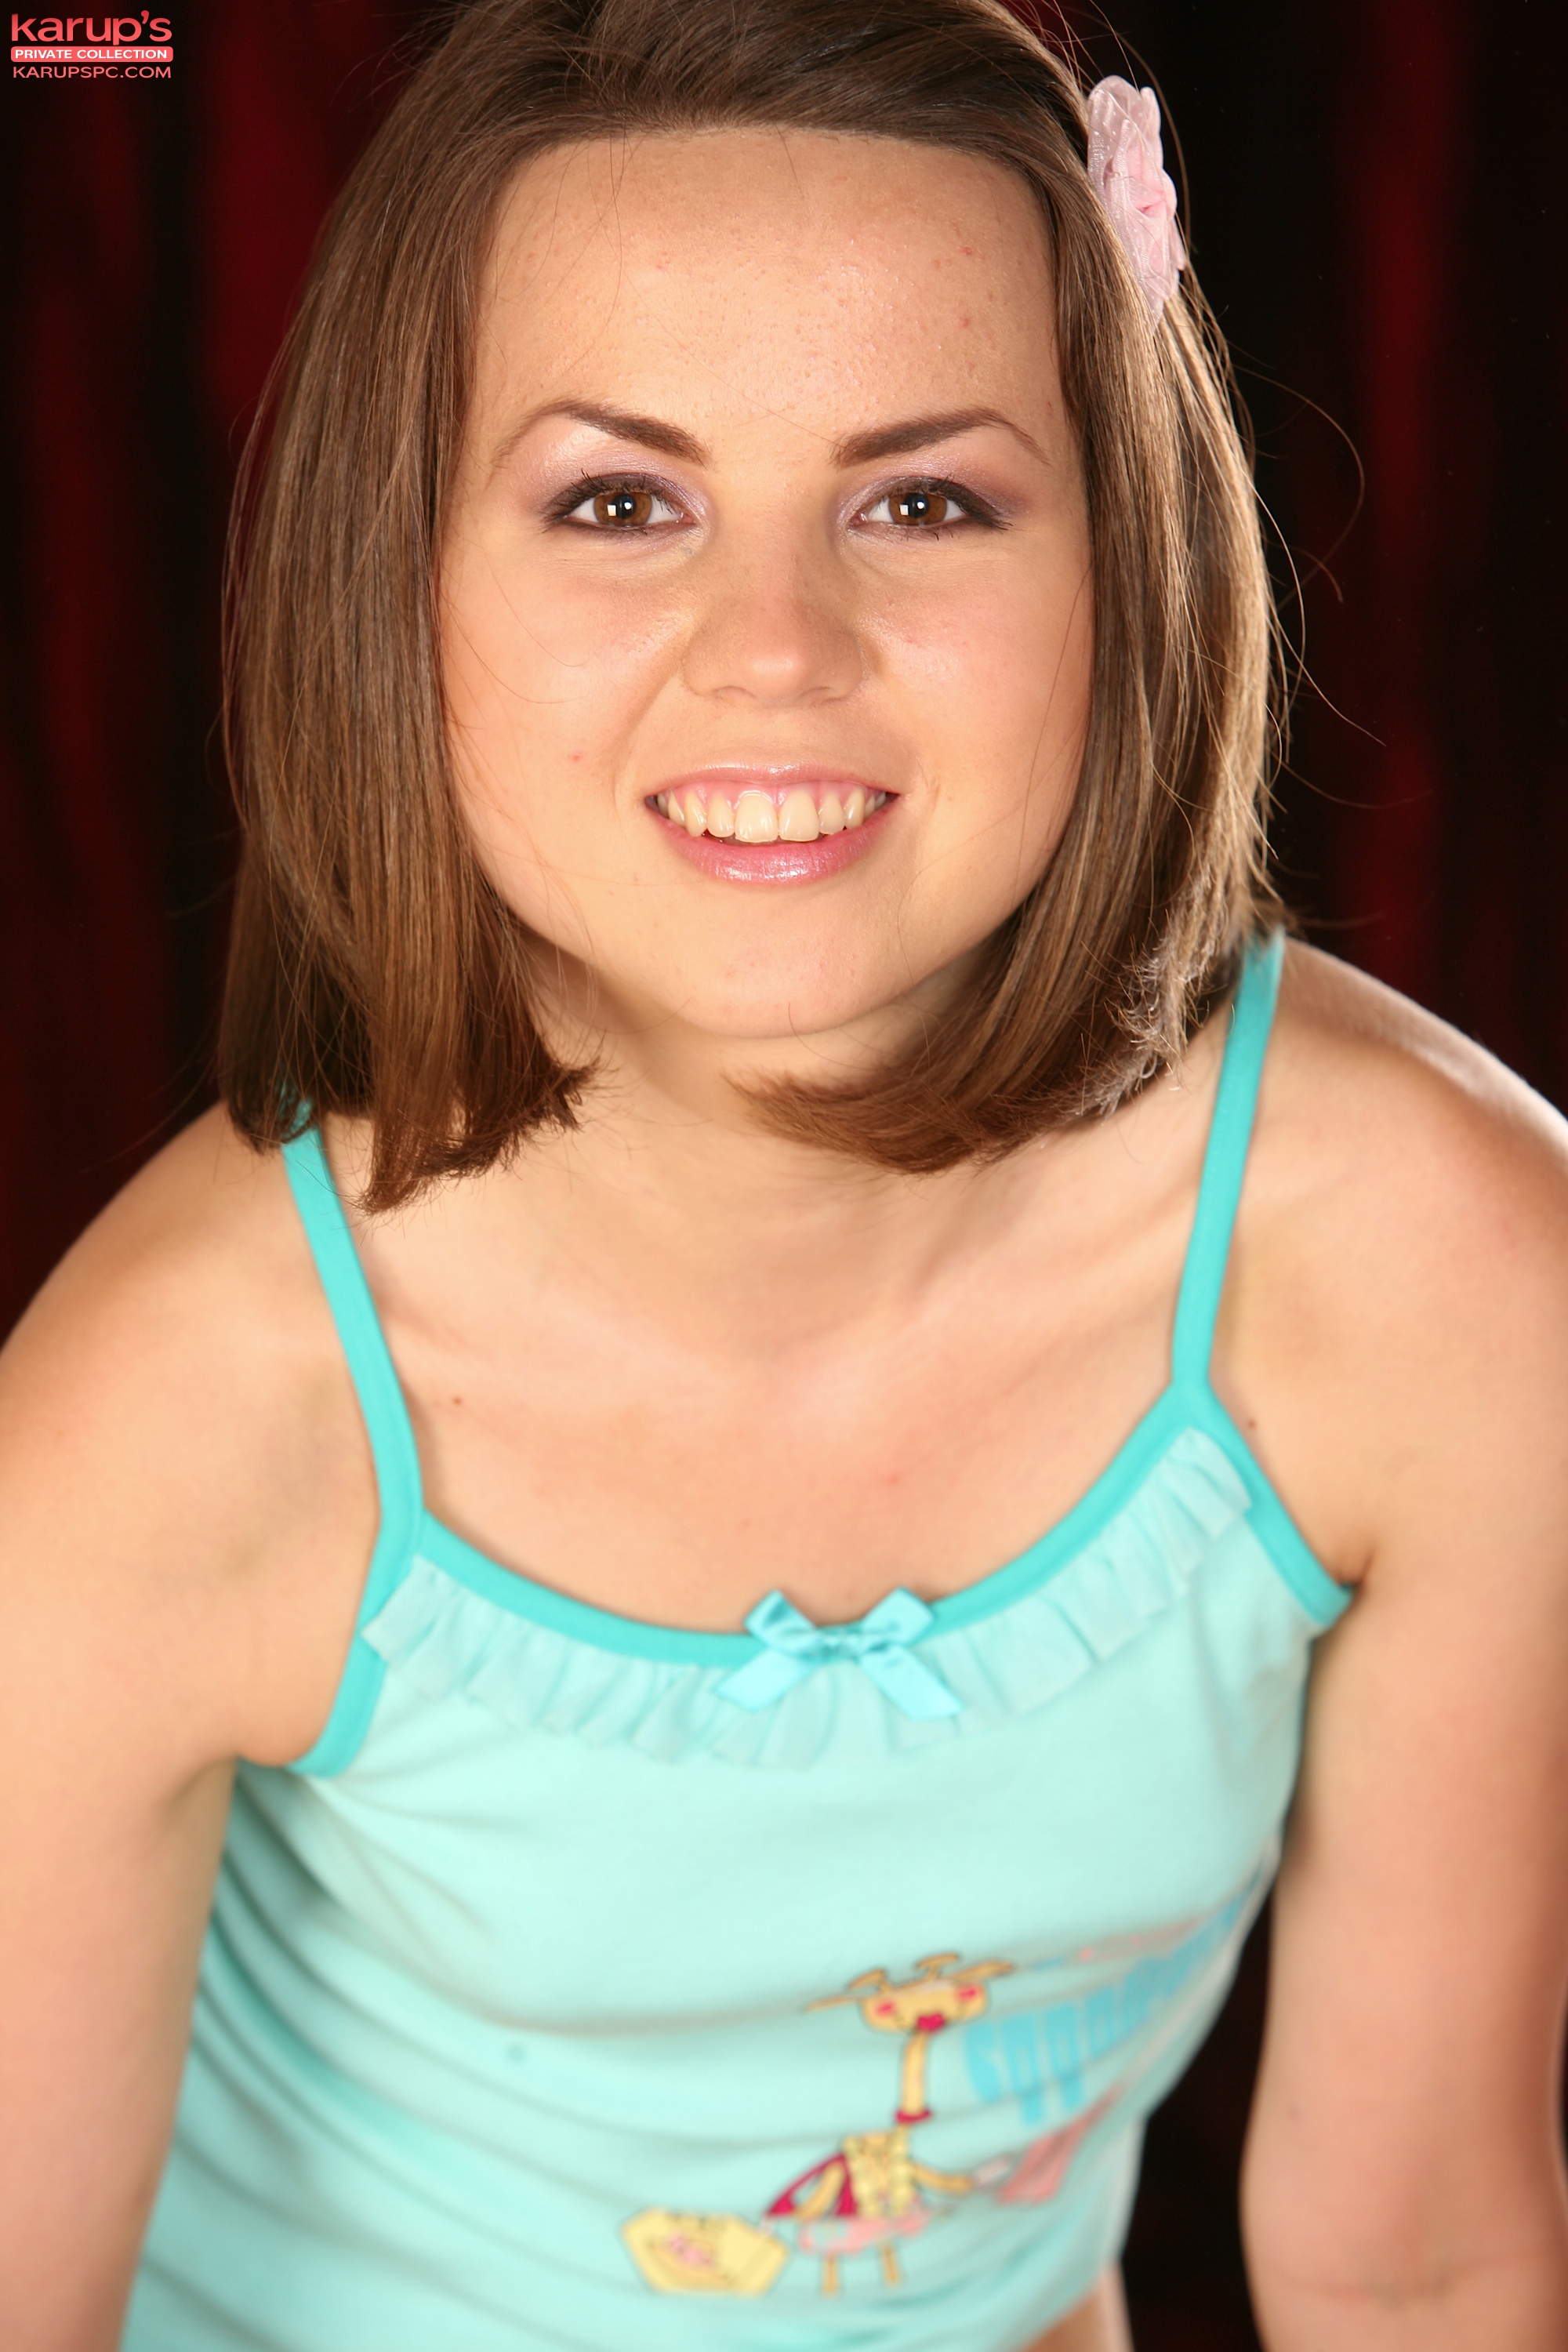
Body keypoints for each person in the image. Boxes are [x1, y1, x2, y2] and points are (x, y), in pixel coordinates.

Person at [5, 2, 1568, 2346]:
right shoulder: (165, 1424)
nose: (774, 654)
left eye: (922, 501)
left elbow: (1416, 2264)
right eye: (618, 503)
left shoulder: (1451, 1273)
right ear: (399, 585)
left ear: (1127, 566)